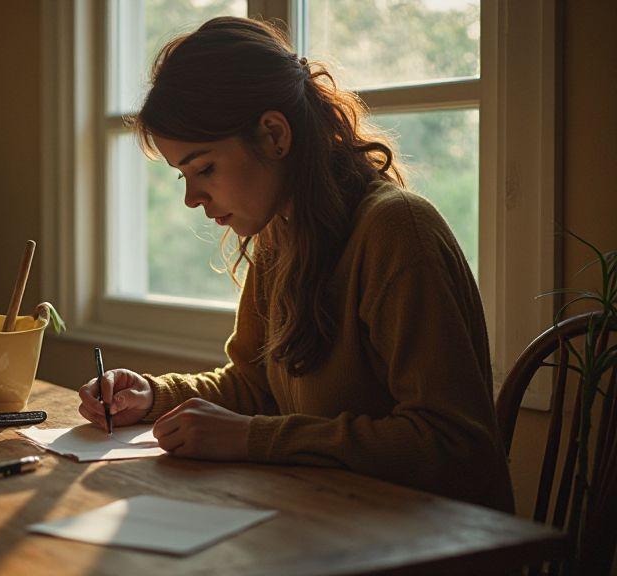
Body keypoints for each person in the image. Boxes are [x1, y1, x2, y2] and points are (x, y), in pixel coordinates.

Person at [76, 16, 514, 512]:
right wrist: (154, 397)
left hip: (431, 544)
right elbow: (254, 387)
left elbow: (453, 446)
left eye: (205, 168)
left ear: (274, 135)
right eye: (183, 175)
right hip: (332, 521)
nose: (192, 198)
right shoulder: (281, 232)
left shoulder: (397, 232)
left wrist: (252, 439)